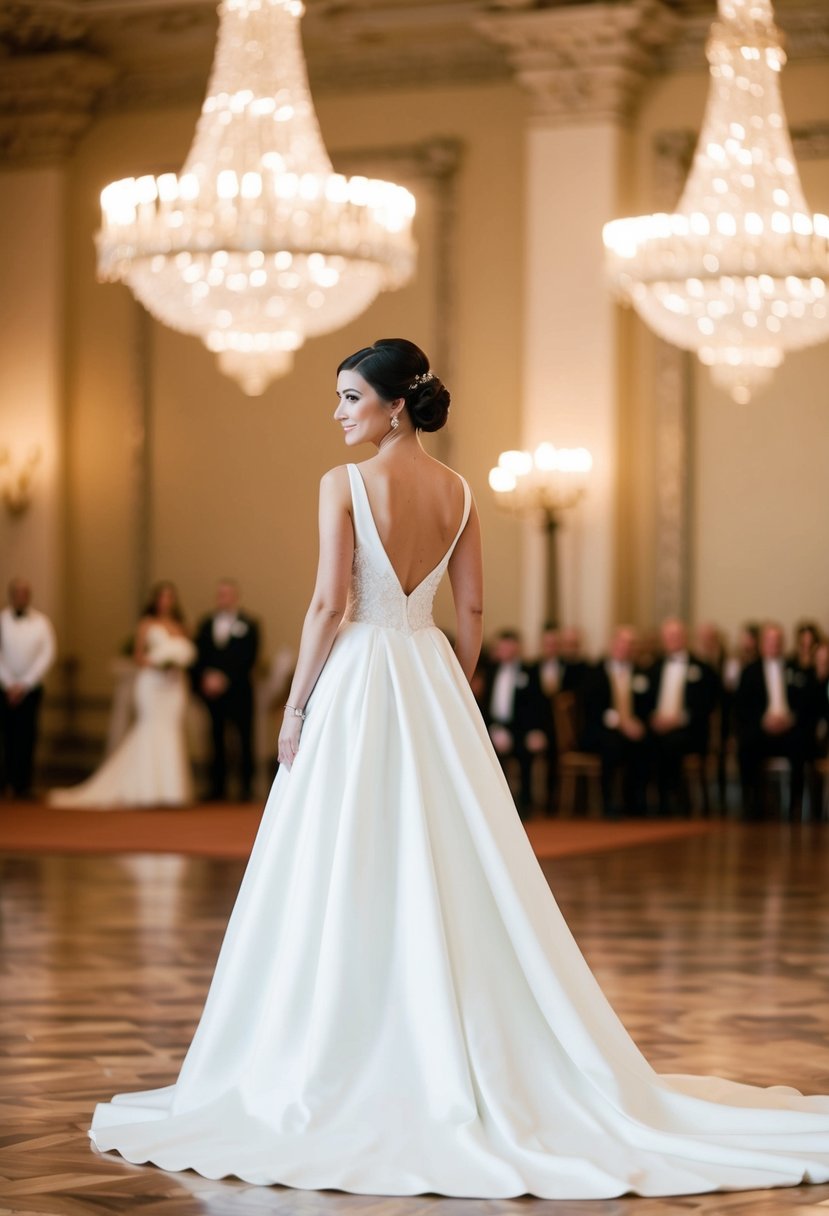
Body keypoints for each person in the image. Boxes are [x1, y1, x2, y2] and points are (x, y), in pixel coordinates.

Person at [89, 339, 829, 1200]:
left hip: (360, 677)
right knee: (451, 862)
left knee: (341, 853)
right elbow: (470, 607)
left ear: (393, 405)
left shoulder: (343, 486)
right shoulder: (461, 492)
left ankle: (337, 1039)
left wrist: (294, 708)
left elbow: (329, 604)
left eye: (349, 397)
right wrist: (450, 686)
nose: (337, 413)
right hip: (428, 672)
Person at [49, 582, 195, 808]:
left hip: (174, 687)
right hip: (152, 683)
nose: (166, 601)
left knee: (170, 730)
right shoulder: (147, 624)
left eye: (170, 597)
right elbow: (138, 656)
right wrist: (159, 665)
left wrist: (175, 666)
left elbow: (188, 653)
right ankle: (145, 788)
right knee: (150, 728)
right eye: (162, 597)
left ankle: (170, 789)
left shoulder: (182, 626)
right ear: (156, 600)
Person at [734, 621, 819, 821]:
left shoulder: (795, 668)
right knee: (746, 747)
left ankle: (794, 807)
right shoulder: (750, 672)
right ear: (762, 643)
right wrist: (763, 722)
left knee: (801, 745)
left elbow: (808, 703)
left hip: (790, 729)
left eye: (778, 640)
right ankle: (752, 805)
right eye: (770, 640)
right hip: (761, 730)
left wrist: (791, 719)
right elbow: (741, 708)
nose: (774, 644)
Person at [193, 579, 259, 801]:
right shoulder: (205, 624)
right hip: (213, 693)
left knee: (243, 737)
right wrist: (207, 678)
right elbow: (199, 655)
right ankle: (217, 787)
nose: (224, 598)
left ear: (235, 597)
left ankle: (246, 788)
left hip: (239, 690)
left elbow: (249, 657)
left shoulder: (250, 624)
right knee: (215, 737)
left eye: (228, 594)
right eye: (221, 594)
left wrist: (225, 677)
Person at [645, 617, 719, 815]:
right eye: (668, 636)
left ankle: (674, 800)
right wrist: (654, 719)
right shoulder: (653, 668)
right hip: (658, 728)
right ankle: (644, 803)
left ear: (685, 637)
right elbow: (644, 702)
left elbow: (709, 704)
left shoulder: (703, 669)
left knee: (672, 743)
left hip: (690, 730)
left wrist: (680, 719)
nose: (673, 639)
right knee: (644, 743)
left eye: (676, 635)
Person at [481, 629, 553, 815]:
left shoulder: (530, 671)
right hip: (496, 726)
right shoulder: (490, 671)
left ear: (517, 647)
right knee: (489, 754)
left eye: (508, 646)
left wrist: (537, 731)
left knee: (525, 755)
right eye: (501, 647)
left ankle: (525, 804)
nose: (504, 650)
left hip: (523, 729)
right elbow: (484, 703)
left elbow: (540, 704)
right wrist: (493, 728)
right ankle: (496, 803)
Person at [581, 625, 650, 818]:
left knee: (645, 743)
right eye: (622, 643)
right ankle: (609, 802)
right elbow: (591, 707)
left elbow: (646, 704)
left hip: (633, 728)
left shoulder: (641, 673)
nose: (626, 648)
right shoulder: (595, 671)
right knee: (612, 745)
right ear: (613, 644)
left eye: (631, 644)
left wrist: (637, 724)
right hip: (601, 729)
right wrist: (620, 722)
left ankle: (636, 802)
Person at [0, 577, 56, 798]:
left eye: (25, 593)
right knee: (5, 736)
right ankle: (3, 782)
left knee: (27, 735)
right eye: (18, 592)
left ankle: (23, 783)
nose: (21, 596)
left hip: (31, 689)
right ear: (11, 595)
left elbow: (47, 654)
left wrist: (24, 684)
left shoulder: (42, 622)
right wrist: (8, 683)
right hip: (3, 687)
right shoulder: (2, 620)